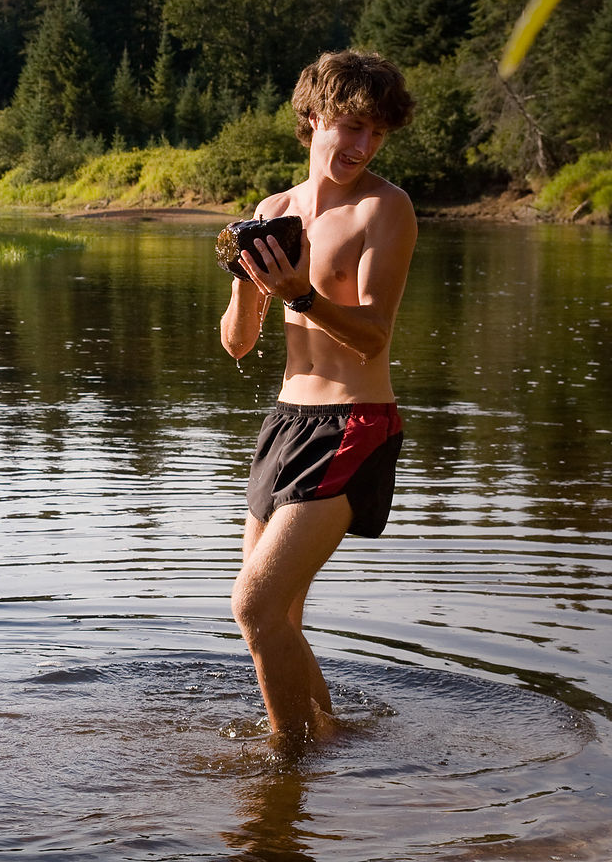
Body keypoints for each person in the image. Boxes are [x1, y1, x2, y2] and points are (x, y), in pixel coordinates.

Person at [219, 49, 416, 749]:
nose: (363, 147)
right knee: (277, 621)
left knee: (255, 605)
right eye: (352, 126)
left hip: (355, 421)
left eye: (377, 135)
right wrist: (248, 280)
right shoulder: (273, 212)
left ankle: (288, 770)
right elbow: (238, 344)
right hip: (286, 424)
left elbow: (372, 336)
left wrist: (301, 293)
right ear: (312, 118)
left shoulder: (384, 210)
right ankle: (330, 739)